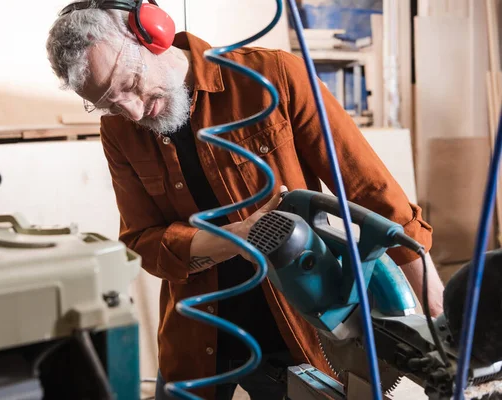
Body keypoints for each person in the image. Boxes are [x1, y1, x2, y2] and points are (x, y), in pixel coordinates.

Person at [45, 5, 445, 399]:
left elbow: (374, 195)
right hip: (195, 346)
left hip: (303, 338)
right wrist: (239, 235)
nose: (131, 111)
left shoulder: (272, 77)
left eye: (129, 83)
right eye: (109, 103)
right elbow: (144, 244)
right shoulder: (119, 131)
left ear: (151, 34)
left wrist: (439, 325)